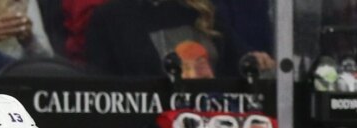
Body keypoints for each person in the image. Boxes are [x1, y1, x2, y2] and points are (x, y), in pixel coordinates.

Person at [85, 0, 274, 78]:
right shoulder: (110, 18)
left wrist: (258, 62)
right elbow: (101, 90)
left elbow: (239, 61)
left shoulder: (202, 11)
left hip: (213, 127)